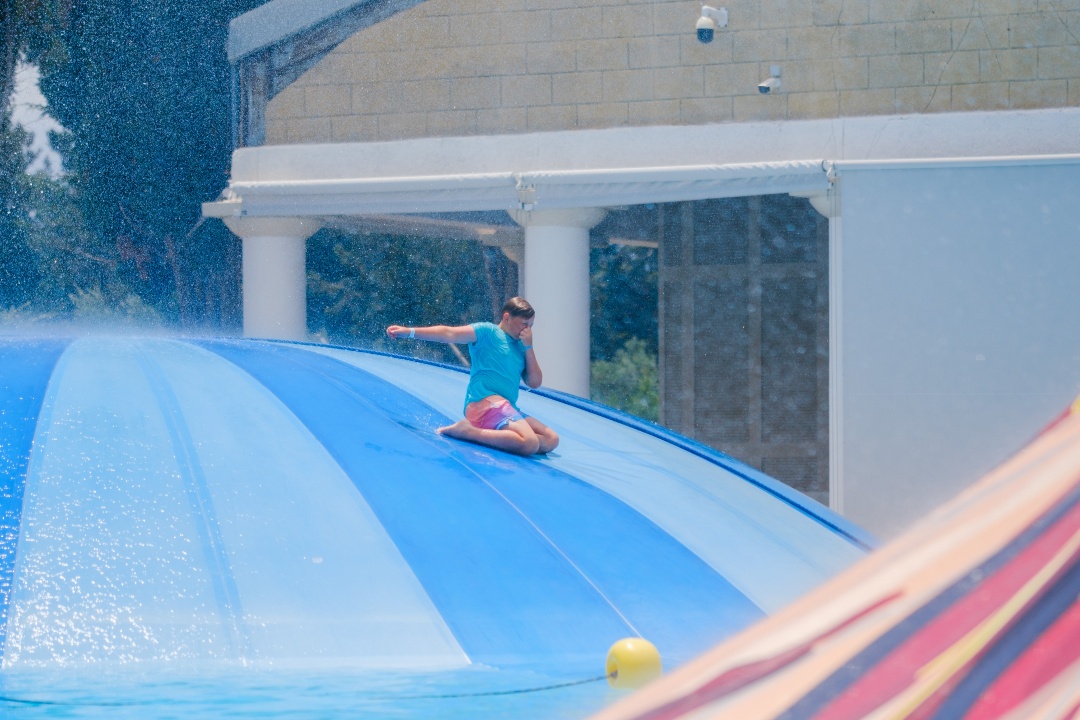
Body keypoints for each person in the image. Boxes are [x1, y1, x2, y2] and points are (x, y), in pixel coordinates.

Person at [386, 297, 560, 456]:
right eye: (524, 324)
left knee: (551, 439)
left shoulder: (522, 346)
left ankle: (501, 433)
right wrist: (409, 331)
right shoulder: (488, 332)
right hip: (484, 402)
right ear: (506, 318)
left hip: (506, 408)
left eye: (531, 325)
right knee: (530, 444)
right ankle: (468, 431)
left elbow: (535, 382)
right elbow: (449, 333)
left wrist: (528, 347)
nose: (527, 330)